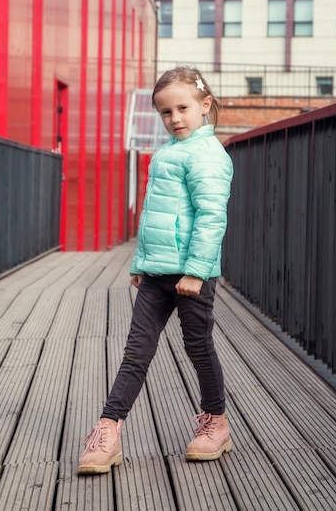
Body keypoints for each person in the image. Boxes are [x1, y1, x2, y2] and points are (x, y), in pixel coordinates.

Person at [78, 66, 234, 475]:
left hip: (191, 276)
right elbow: (154, 216)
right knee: (136, 350)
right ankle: (108, 429)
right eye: (166, 112)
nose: (175, 119)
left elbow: (211, 217)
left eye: (182, 108)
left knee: (198, 347)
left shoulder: (207, 154)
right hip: (156, 274)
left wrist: (196, 272)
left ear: (204, 105)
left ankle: (215, 422)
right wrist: (140, 263)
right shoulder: (167, 151)